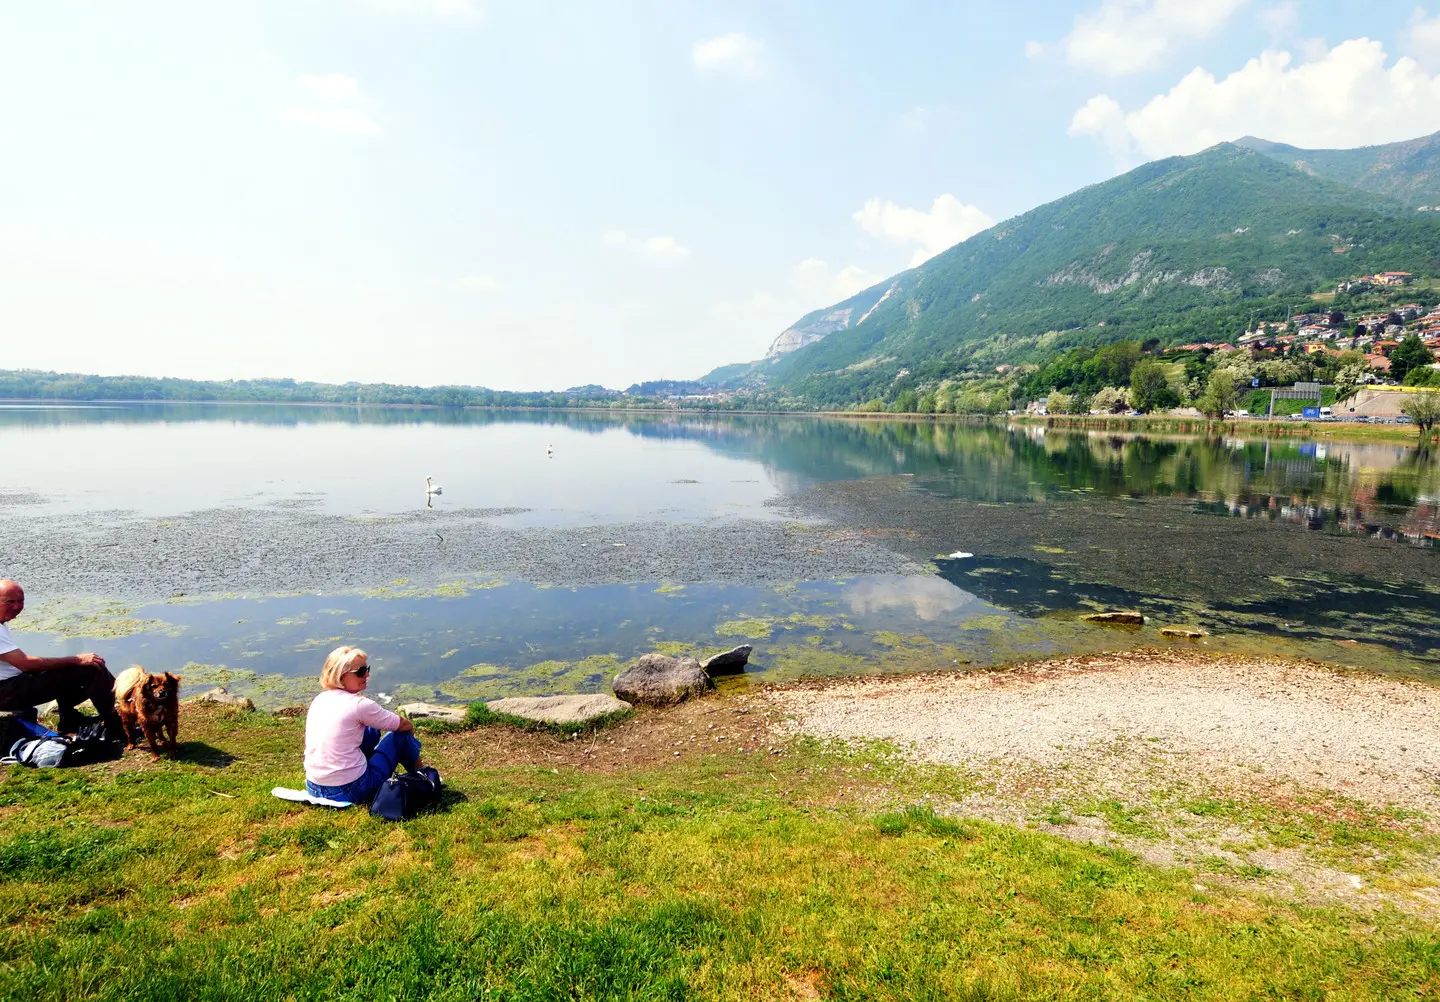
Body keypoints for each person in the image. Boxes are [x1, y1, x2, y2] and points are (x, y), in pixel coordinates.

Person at [0, 579, 123, 734]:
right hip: (5, 692)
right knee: (90, 669)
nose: (17, 607)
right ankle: (117, 725)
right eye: (10, 602)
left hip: (10, 685)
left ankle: (70, 720)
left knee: (65, 671)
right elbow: (25, 664)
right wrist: (77, 660)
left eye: (21, 601)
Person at [304, 645, 423, 804]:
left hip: (313, 786)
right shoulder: (360, 705)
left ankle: (362, 764)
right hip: (350, 789)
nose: (367, 675)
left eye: (367, 669)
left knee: (371, 730)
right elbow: (404, 725)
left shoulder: (319, 700)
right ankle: (422, 777)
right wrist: (409, 742)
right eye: (360, 672)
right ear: (340, 676)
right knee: (399, 736)